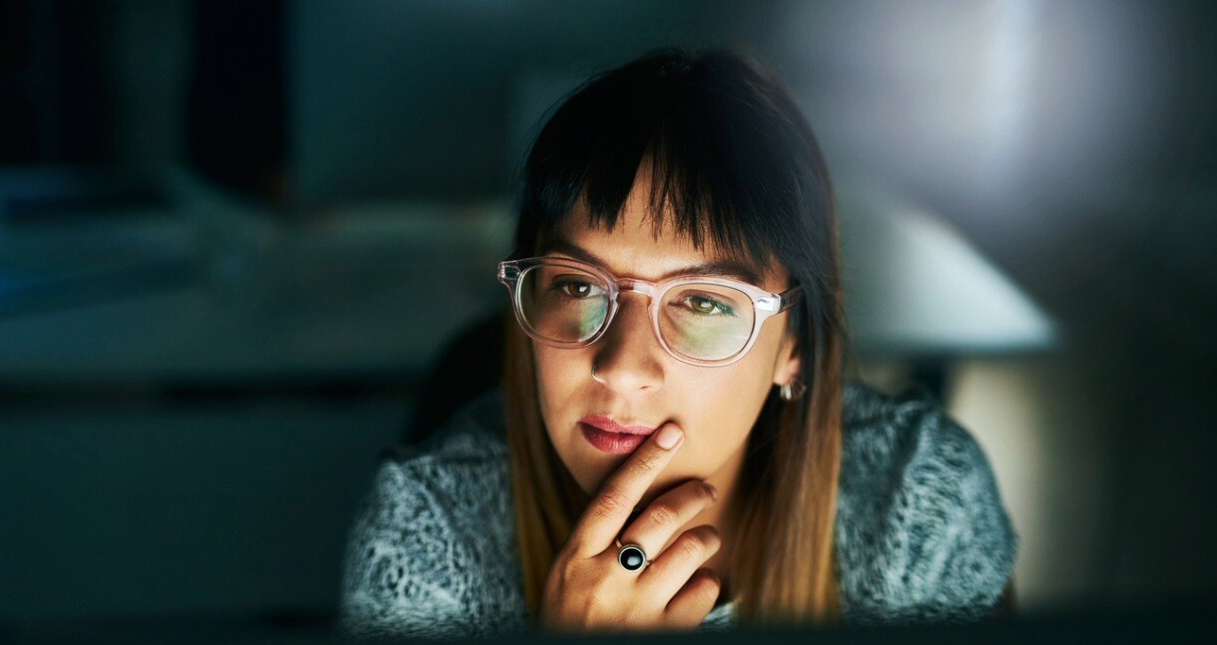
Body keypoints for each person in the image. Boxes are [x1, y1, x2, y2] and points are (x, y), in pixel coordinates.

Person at [340, 49, 1018, 638]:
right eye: (577, 287)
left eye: (701, 302)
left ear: (796, 344)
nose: (621, 368)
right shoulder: (428, 530)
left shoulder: (918, 503)